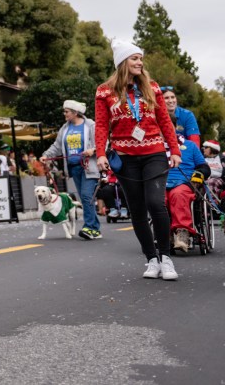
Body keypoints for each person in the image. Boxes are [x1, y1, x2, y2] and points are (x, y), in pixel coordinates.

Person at [96, 41, 183, 281]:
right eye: (134, 58)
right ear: (123, 62)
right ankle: (151, 259)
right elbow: (102, 125)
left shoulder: (151, 87)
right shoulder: (104, 91)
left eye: (140, 59)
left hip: (154, 153)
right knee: (137, 210)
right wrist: (101, 154)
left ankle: (166, 257)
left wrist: (174, 150)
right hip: (124, 158)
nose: (139, 63)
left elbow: (165, 120)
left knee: (156, 203)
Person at [42, 99, 102, 240]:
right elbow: (57, 146)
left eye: (66, 111)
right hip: (74, 168)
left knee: (87, 196)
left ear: (75, 113)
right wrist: (46, 155)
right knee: (85, 198)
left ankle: (88, 227)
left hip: (88, 167)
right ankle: (95, 229)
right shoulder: (65, 128)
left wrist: (92, 150)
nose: (64, 114)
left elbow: (102, 143)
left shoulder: (90, 125)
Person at [166, 137, 208, 253]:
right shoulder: (154, 144)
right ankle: (164, 233)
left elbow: (204, 167)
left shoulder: (190, 145)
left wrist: (200, 174)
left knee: (178, 194)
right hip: (160, 181)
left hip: (184, 181)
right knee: (158, 198)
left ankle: (182, 232)